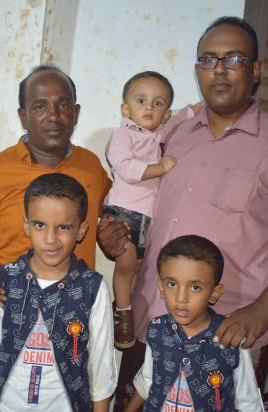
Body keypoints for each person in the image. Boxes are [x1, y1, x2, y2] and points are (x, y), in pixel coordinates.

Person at [99, 16, 268, 412]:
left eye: (234, 59)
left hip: (230, 332)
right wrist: (116, 233)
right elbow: (141, 195)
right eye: (208, 60)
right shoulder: (175, 135)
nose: (219, 69)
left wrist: (263, 310)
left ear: (256, 69)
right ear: (197, 71)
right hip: (152, 319)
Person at [0, 65, 111, 313]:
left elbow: (112, 210)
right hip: (9, 308)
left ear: (76, 113)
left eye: (63, 106)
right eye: (40, 107)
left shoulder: (91, 167)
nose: (53, 116)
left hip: (74, 311)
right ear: (23, 116)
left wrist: (111, 231)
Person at [0, 173, 116, 412]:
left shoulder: (92, 288)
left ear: (81, 230)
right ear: (26, 225)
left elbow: (101, 363)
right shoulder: (3, 281)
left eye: (64, 227)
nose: (50, 239)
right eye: (40, 225)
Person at [103, 71, 203, 349]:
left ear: (165, 113)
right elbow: (126, 168)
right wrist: (160, 168)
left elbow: (181, 118)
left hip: (148, 216)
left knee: (138, 267)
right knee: (126, 262)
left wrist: (200, 107)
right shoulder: (124, 134)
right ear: (126, 109)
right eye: (141, 100)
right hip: (123, 210)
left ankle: (125, 303)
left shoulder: (160, 133)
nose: (149, 107)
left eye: (158, 103)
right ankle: (123, 314)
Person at [120, 235, 264, 412]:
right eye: (172, 284)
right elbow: (147, 379)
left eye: (195, 287)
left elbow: (248, 402)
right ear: (161, 287)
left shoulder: (230, 337)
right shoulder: (157, 330)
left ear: (214, 293)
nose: (181, 298)